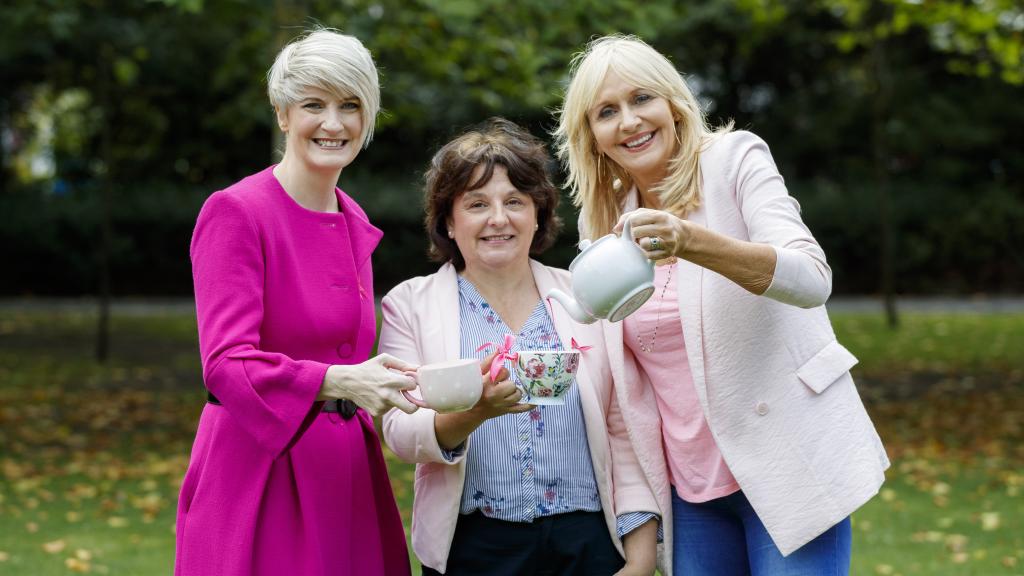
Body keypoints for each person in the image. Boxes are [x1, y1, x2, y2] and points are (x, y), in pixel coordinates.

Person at [553, 34, 890, 575]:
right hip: (692, 490)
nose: (630, 121)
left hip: (786, 460)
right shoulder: (605, 222)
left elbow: (811, 277)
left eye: (643, 99)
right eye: (607, 112)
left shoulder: (735, 159)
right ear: (591, 137)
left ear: (674, 103)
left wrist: (692, 242)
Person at [175, 29, 417, 576]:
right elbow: (225, 365)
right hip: (258, 476)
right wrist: (340, 381)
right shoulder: (236, 212)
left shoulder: (354, 222)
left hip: (348, 474)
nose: (334, 123)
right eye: (314, 104)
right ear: (283, 115)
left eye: (350, 106)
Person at [378, 118, 661, 576]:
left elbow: (625, 430)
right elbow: (401, 433)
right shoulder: (410, 305)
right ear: (449, 221)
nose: (498, 218)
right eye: (476, 203)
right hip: (475, 549)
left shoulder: (585, 297)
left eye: (514, 201)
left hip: (587, 543)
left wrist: (641, 559)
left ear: (538, 214)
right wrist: (475, 411)